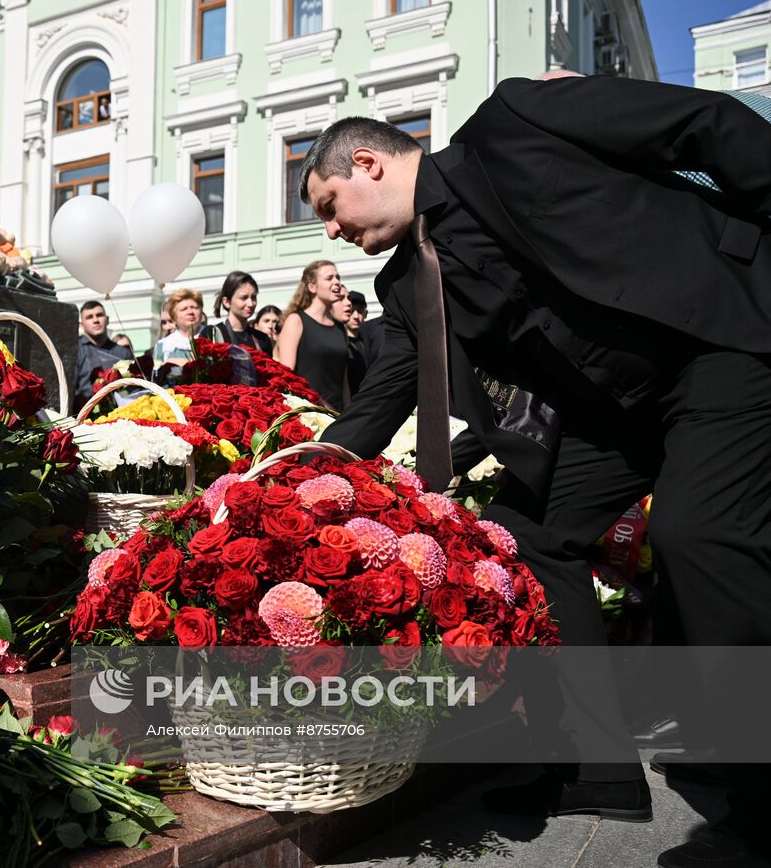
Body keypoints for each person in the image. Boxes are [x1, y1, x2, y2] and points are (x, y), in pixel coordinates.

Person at [302, 78, 771, 868]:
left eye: (327, 204)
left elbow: (698, 124)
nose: (331, 230)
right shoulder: (403, 284)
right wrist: (298, 477)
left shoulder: (513, 122)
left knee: (700, 529)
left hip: (717, 335)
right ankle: (598, 768)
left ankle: (762, 802)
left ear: (367, 162)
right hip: (623, 409)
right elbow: (378, 404)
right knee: (522, 535)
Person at [274, 260, 350, 410]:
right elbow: (286, 375)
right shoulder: (296, 321)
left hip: (338, 414)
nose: (337, 282)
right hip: (308, 413)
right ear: (312, 286)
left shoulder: (340, 328)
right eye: (329, 278)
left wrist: (348, 410)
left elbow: (344, 380)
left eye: (338, 277)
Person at [74, 300, 134, 410]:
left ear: (107, 320)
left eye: (99, 315)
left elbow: (134, 389)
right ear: (81, 325)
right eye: (89, 317)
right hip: (83, 417)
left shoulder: (123, 353)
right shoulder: (74, 351)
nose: (96, 320)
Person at [200, 271, 273, 352]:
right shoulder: (212, 334)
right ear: (226, 302)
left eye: (253, 297)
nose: (251, 303)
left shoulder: (262, 339)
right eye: (243, 298)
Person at [153, 288, 203, 367]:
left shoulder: (213, 335)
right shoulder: (164, 345)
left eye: (194, 307)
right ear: (174, 317)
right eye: (184, 309)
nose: (190, 312)